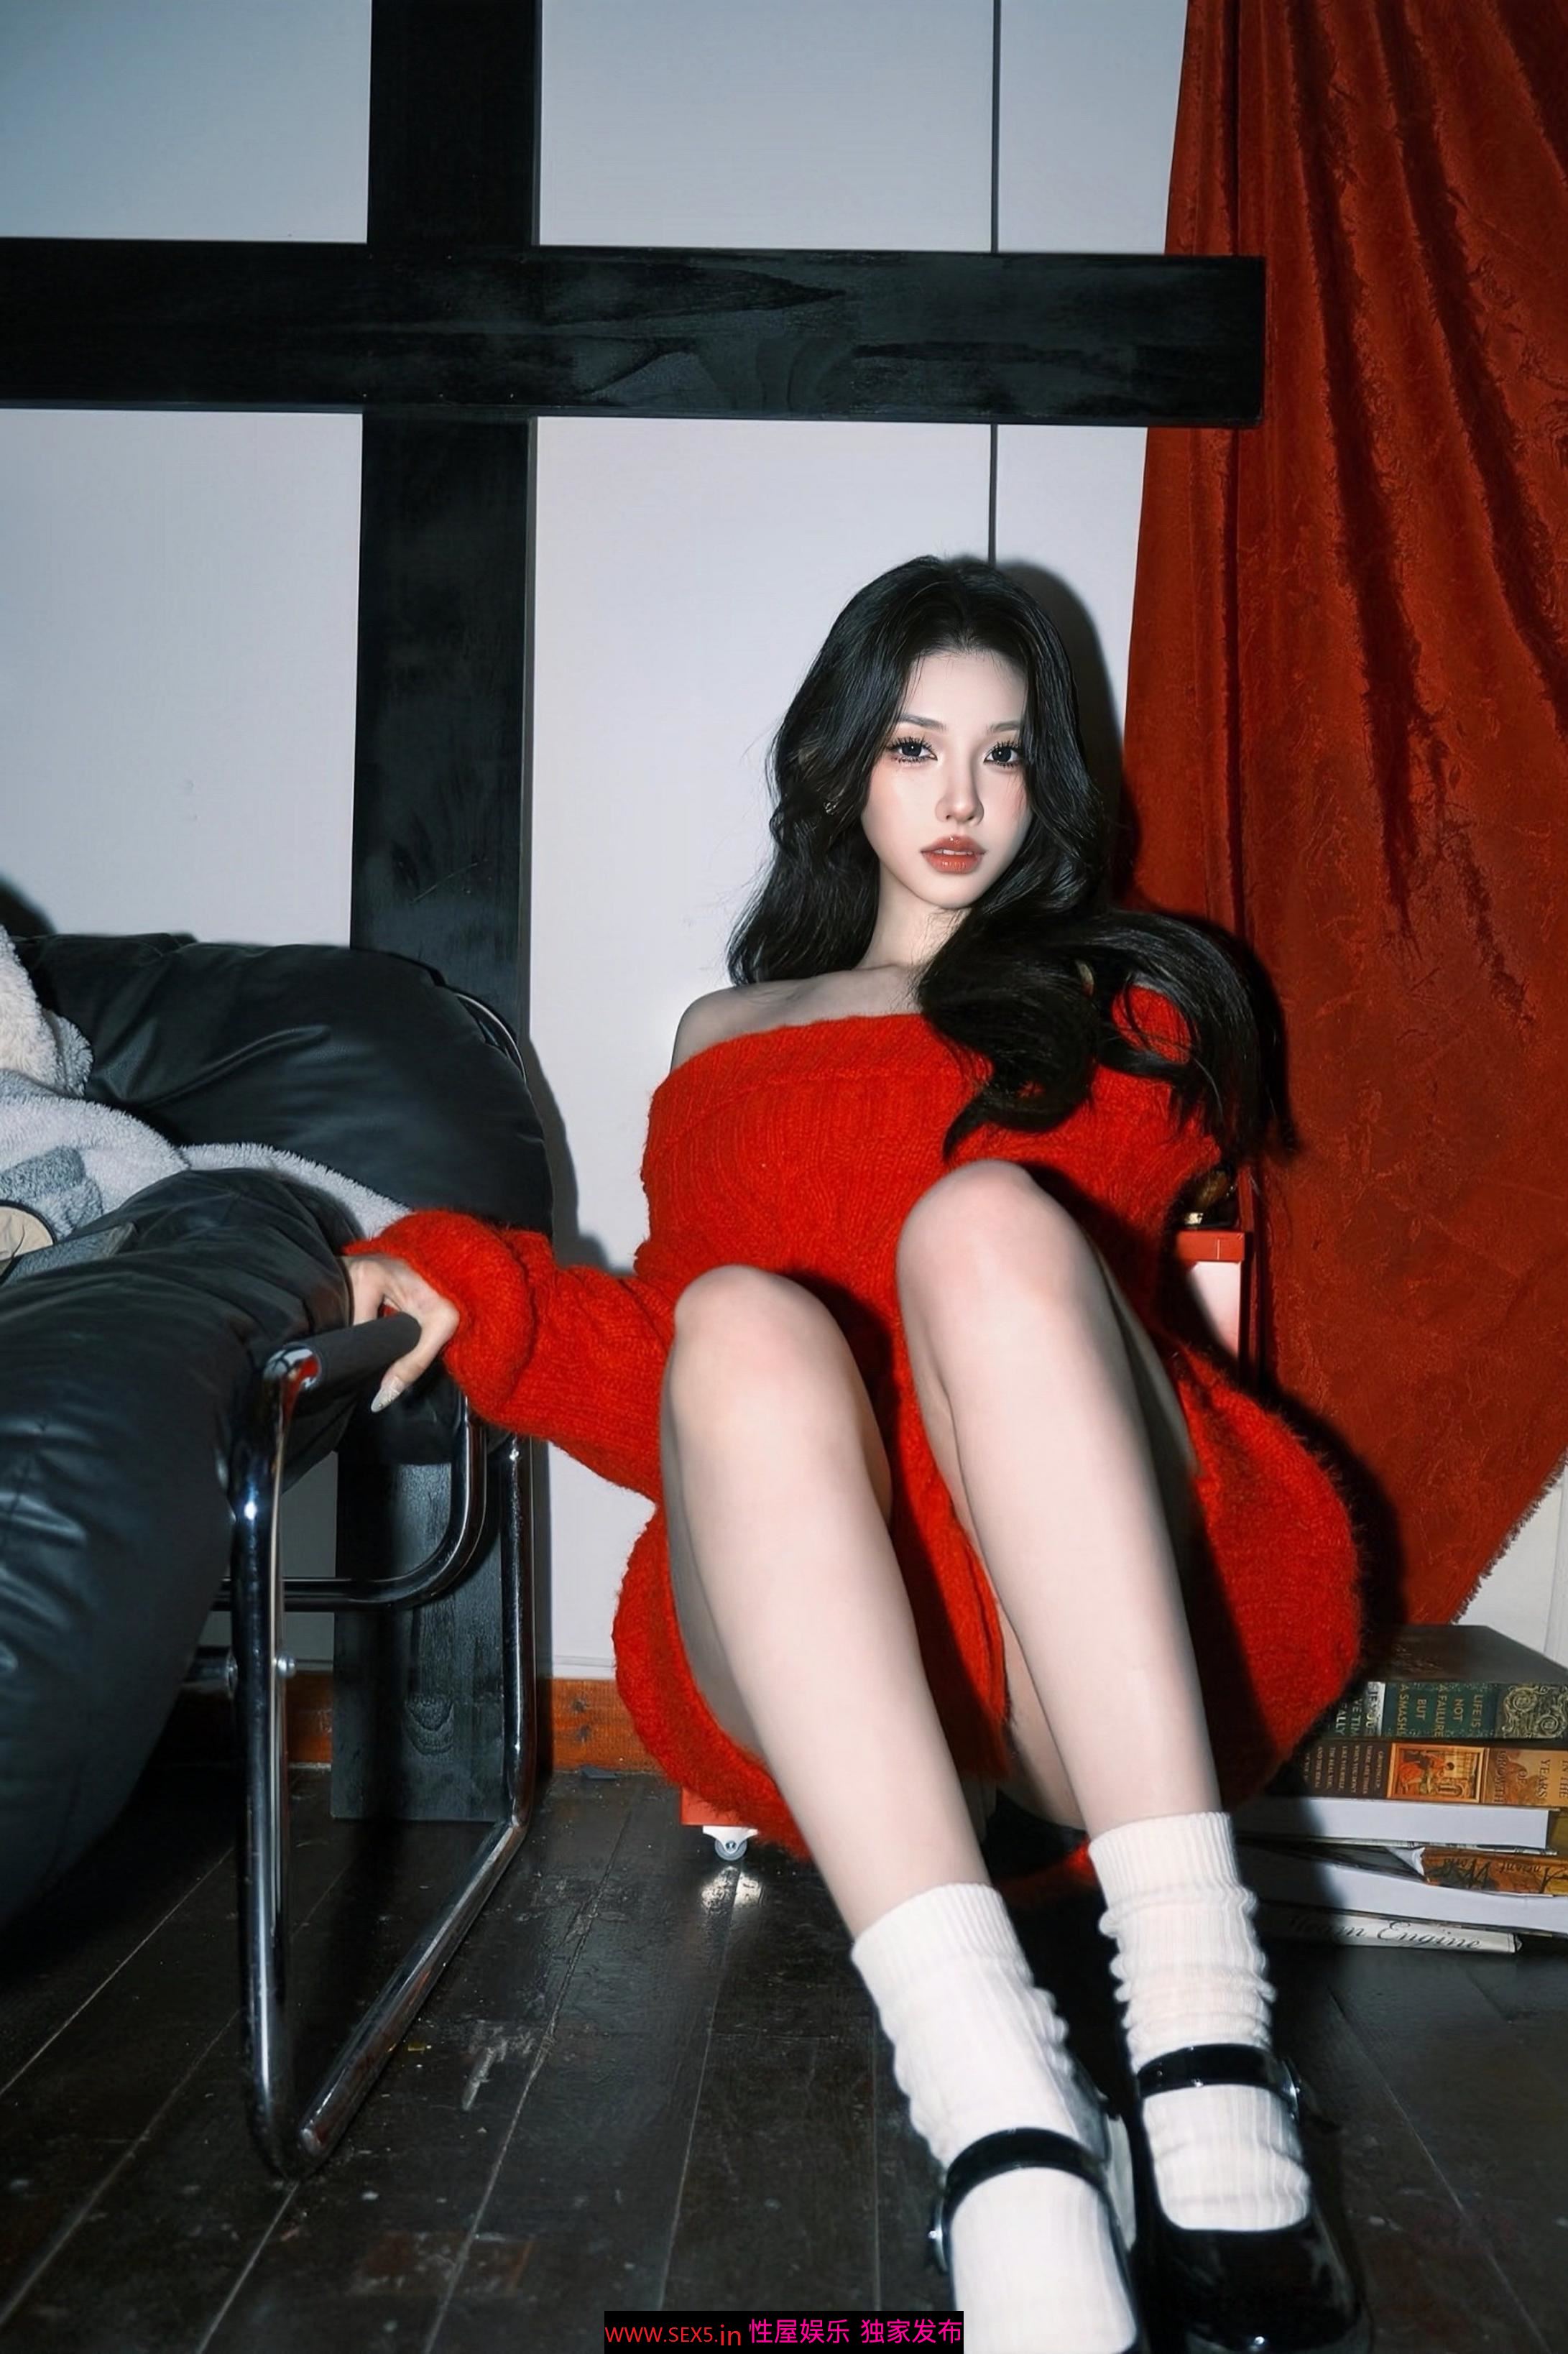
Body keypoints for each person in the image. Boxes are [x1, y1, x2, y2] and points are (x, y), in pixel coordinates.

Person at [344, 557, 1368, 2354]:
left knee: (980, 1224)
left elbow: (1114, 1327)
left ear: (1051, 782)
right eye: (913, 747)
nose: (961, 798)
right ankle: (1004, 2120)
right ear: (839, 768)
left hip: (1092, 1652)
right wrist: (460, 1278)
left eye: (1004, 753)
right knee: (738, 1315)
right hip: (833, 1664)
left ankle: (1206, 2046)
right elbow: (669, 1368)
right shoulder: (720, 1041)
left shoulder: (1131, 1011)